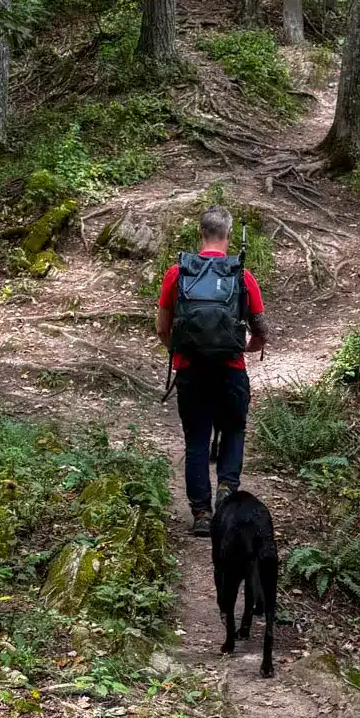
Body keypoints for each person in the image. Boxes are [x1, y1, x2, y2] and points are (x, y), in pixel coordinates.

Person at [157, 205, 268, 536]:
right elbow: (262, 331)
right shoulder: (242, 275)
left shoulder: (177, 274)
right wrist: (244, 348)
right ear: (229, 236)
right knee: (234, 431)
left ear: (200, 234)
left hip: (191, 371)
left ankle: (202, 514)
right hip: (231, 371)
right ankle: (227, 491)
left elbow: (163, 329)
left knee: (196, 440)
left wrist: (181, 351)